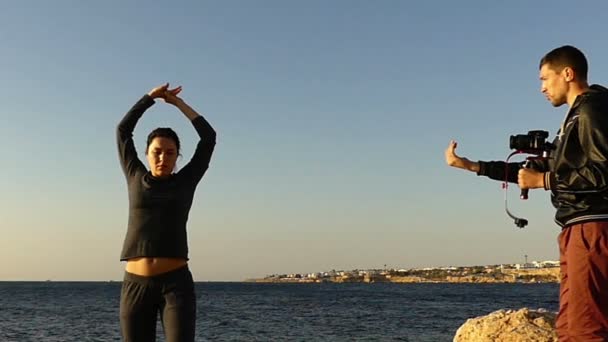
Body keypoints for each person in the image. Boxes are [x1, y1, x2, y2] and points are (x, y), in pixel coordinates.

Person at [445, 45, 608, 341]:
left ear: (568, 74)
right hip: (577, 227)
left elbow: (604, 171)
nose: (541, 88)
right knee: (570, 327)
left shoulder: (592, 109)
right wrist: (471, 165)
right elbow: (527, 172)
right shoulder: (574, 117)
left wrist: (545, 181)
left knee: (587, 328)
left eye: (545, 79)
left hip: (593, 226)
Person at [116, 83, 217, 341]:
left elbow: (209, 137)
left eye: (170, 153)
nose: (163, 158)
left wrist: (178, 104)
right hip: (135, 284)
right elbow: (123, 130)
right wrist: (149, 98)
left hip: (176, 284)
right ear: (147, 154)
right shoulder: (134, 175)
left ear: (177, 156)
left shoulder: (186, 180)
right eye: (157, 152)